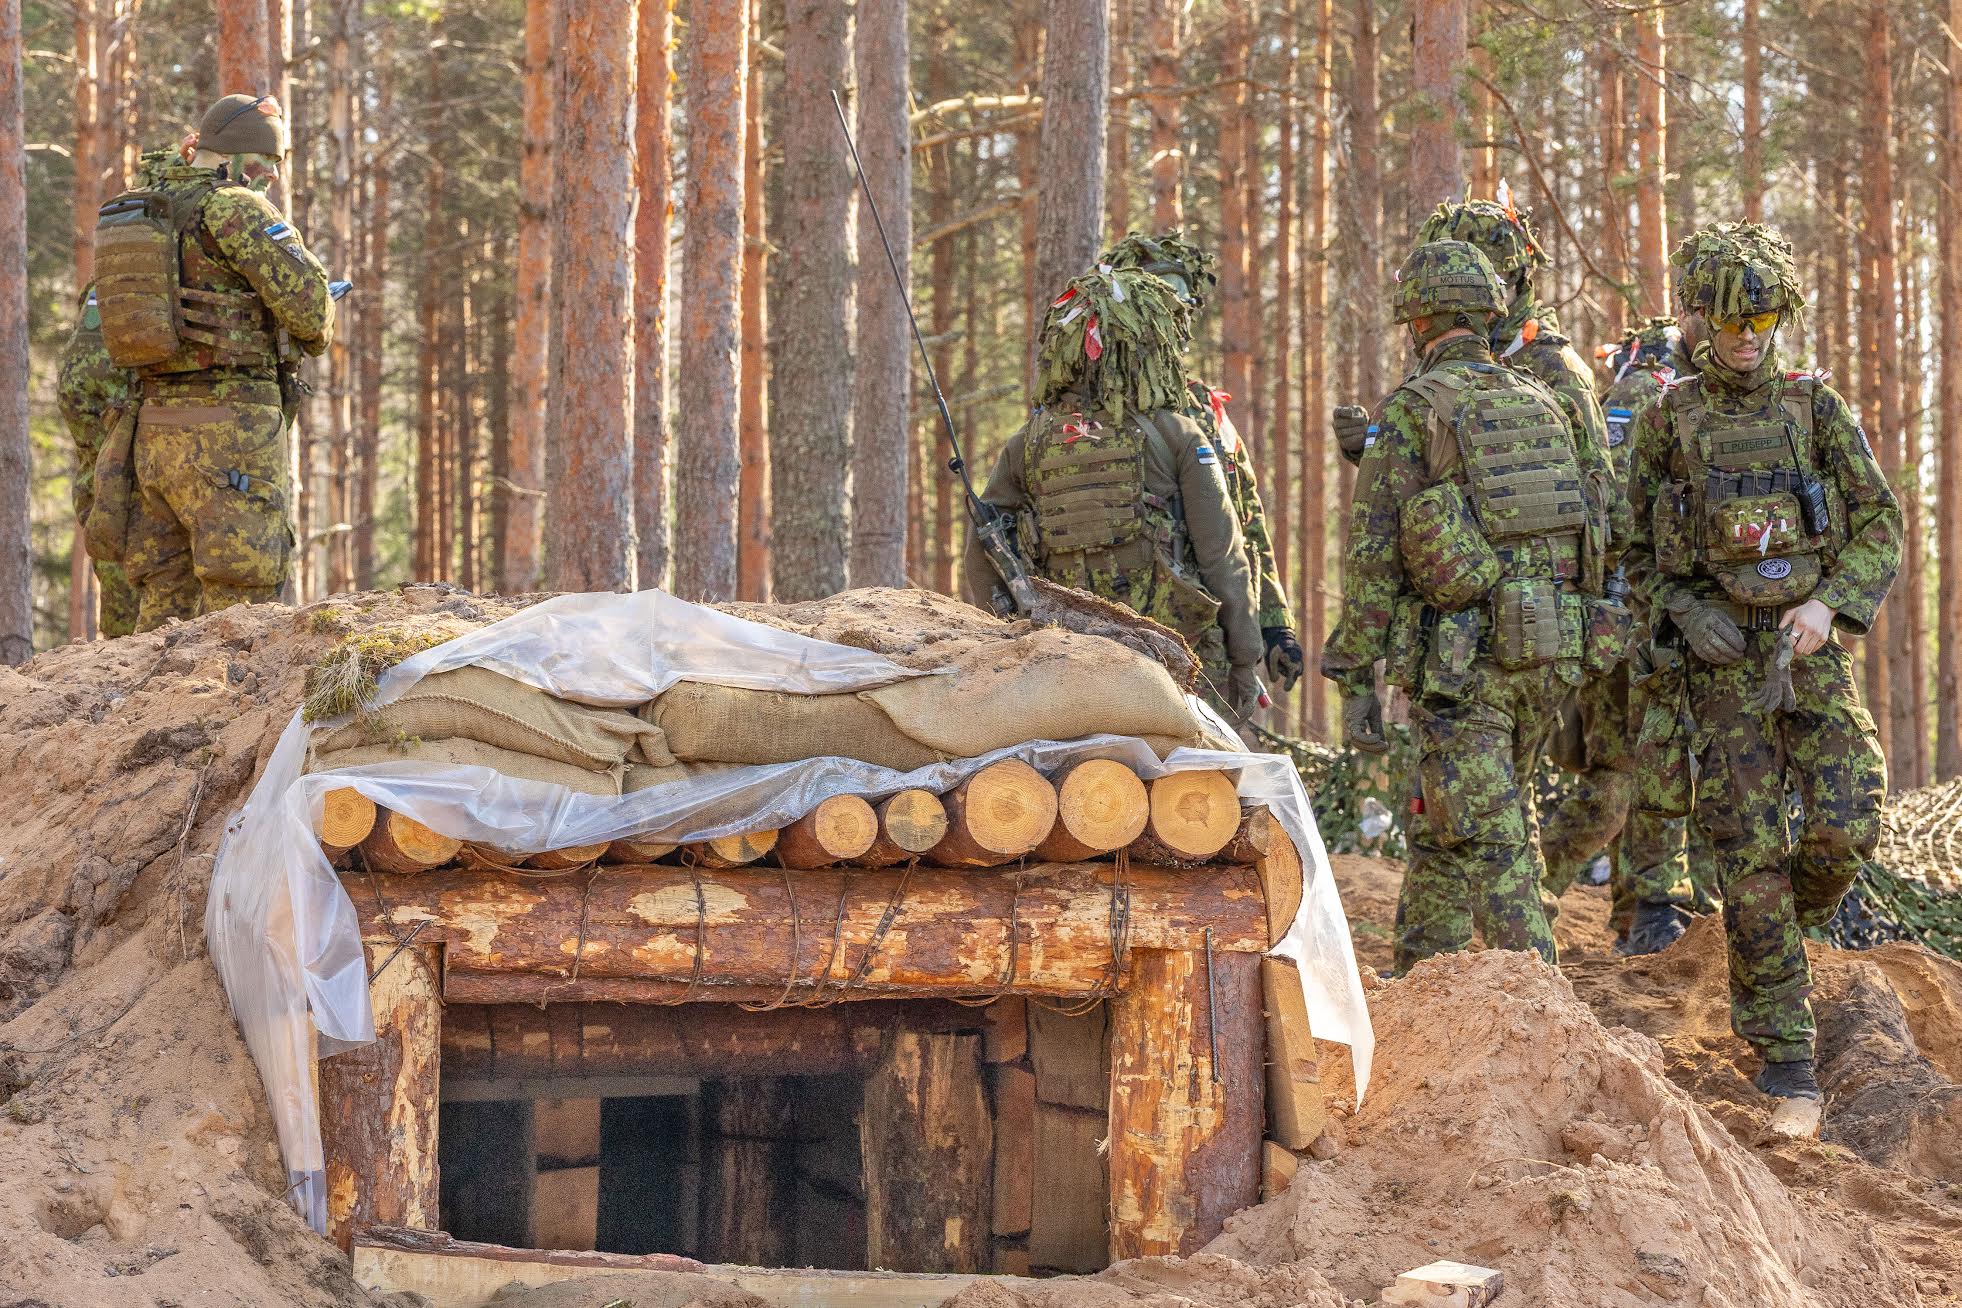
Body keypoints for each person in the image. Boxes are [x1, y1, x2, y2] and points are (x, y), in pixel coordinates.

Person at [1623, 221, 1900, 1112]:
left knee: (1849, 818)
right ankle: (1786, 1055)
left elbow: (1880, 523)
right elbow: (1633, 554)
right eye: (1731, 320)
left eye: (1763, 318)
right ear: (1700, 319)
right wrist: (1686, 609)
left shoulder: (1816, 409)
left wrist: (1829, 605)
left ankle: (1781, 928)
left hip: (1807, 651)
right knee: (1748, 855)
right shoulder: (1667, 419)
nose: (1747, 336)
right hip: (1721, 668)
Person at [1322, 240, 1620, 974]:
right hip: (1550, 652)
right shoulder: (1544, 401)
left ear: (1419, 323)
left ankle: (1545, 1009)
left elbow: (1374, 558)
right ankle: (1422, 978)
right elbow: (1594, 522)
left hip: (1466, 667)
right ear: (1488, 314)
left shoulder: (1413, 410)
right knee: (1447, 823)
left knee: (1490, 839)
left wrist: (1355, 677)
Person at [960, 265, 1263, 721]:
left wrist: (1011, 635)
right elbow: (1223, 557)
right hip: (1170, 659)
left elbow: (981, 552)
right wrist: (1245, 657)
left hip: (1064, 658)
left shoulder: (1028, 442)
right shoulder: (1177, 434)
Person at [101, 93, 332, 631]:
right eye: (266, 161)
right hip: (231, 435)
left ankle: (157, 693)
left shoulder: (143, 209)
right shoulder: (236, 208)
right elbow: (311, 313)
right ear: (234, 158)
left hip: (151, 435)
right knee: (242, 612)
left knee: (162, 613)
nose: (272, 176)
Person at [1539, 315, 1712, 953]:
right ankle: (1532, 892)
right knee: (1624, 772)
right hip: (1632, 617)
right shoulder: (1649, 387)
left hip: (1656, 612)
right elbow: (1613, 503)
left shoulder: (1686, 383)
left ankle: (1639, 912)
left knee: (1652, 768)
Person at [1097, 233, 1304, 699]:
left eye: (1181, 310)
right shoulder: (1089, 414)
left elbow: (1244, 523)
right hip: (1113, 634)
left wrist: (1274, 626)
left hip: (1202, 637)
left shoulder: (1204, 409)